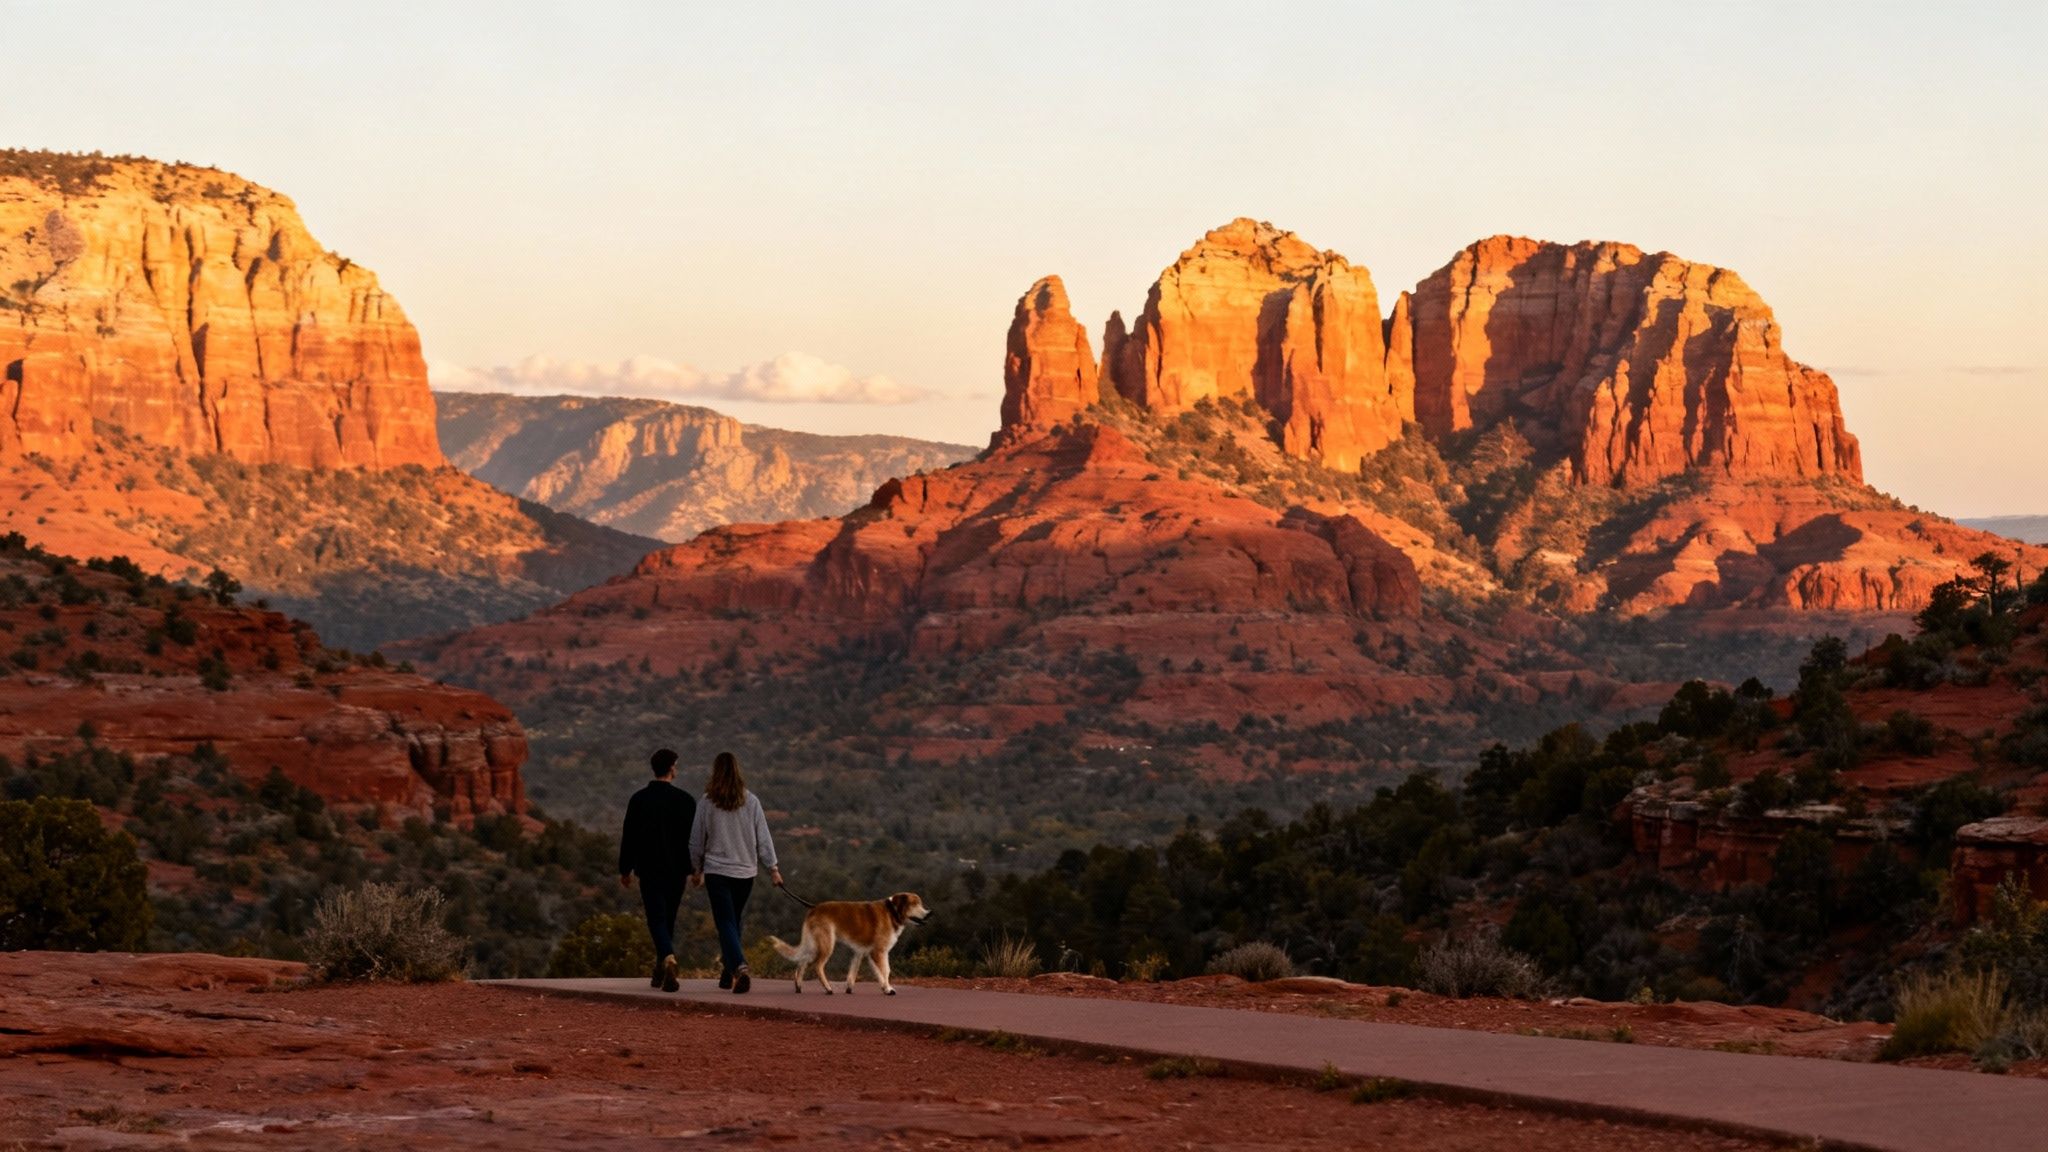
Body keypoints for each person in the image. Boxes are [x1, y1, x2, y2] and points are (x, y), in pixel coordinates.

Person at [689, 750, 780, 994]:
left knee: (726, 922)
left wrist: (696, 868)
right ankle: (727, 973)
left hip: (718, 871)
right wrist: (773, 869)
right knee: (734, 921)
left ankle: (739, 967)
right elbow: (764, 839)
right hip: (745, 873)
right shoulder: (751, 802)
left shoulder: (707, 802)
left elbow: (696, 841)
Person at [619, 748, 696, 993]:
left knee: (656, 918)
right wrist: (696, 868)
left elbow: (629, 836)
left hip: (649, 869)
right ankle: (661, 968)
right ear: (672, 767)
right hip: (677, 870)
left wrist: (625, 868)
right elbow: (693, 840)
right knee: (668, 918)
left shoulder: (639, 799)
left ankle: (667, 960)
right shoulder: (685, 800)